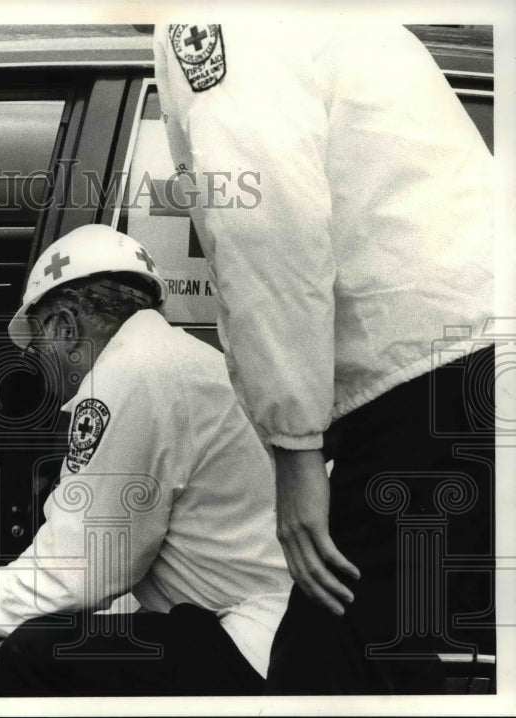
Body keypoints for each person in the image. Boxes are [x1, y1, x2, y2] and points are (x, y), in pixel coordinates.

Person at [153, 24, 495, 693]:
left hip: (427, 378)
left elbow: (268, 223)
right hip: (466, 360)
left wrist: (295, 447)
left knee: (333, 669)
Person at [0, 224, 293, 696]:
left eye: (38, 346)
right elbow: (136, 559)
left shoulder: (130, 375)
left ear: (64, 328)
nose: (38, 366)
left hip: (245, 639)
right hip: (267, 628)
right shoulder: (176, 359)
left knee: (36, 657)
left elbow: (87, 562)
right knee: (41, 641)